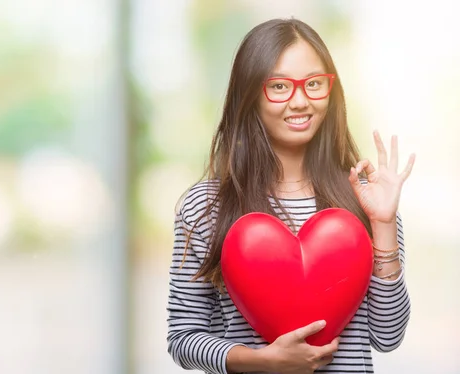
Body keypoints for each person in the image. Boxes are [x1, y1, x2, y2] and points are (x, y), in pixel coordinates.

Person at [166, 18, 415, 374]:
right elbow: (183, 338)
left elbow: (388, 335)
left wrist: (385, 225)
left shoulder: (366, 201)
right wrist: (261, 362)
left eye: (314, 84)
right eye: (280, 86)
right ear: (250, 94)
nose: (300, 101)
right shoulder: (206, 207)